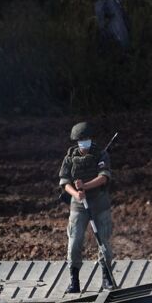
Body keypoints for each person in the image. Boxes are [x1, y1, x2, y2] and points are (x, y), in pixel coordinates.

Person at [58, 121, 115, 293]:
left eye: (87, 138)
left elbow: (104, 177)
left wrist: (85, 186)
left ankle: (107, 277)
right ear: (76, 141)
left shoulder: (101, 155)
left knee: (103, 241)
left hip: (99, 203)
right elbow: (64, 182)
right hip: (79, 205)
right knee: (74, 242)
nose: (85, 142)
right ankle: (74, 281)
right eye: (81, 139)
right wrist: (76, 194)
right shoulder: (69, 158)